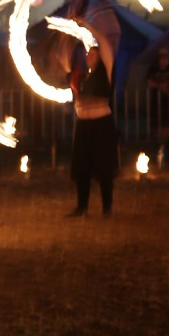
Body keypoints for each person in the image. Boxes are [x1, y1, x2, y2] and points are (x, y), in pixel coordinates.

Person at [69, 42, 118, 217]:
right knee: (82, 167)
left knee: (104, 167)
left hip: (101, 127)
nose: (89, 56)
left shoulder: (106, 74)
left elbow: (107, 48)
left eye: (94, 55)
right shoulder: (82, 77)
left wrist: (87, 25)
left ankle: (107, 208)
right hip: (83, 127)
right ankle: (82, 207)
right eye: (88, 54)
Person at [145, 48, 169, 144]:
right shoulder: (153, 69)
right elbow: (149, 82)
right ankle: (154, 141)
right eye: (161, 58)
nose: (163, 61)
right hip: (156, 99)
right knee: (155, 119)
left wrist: (166, 86)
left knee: (167, 119)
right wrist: (161, 86)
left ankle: (165, 141)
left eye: (165, 58)